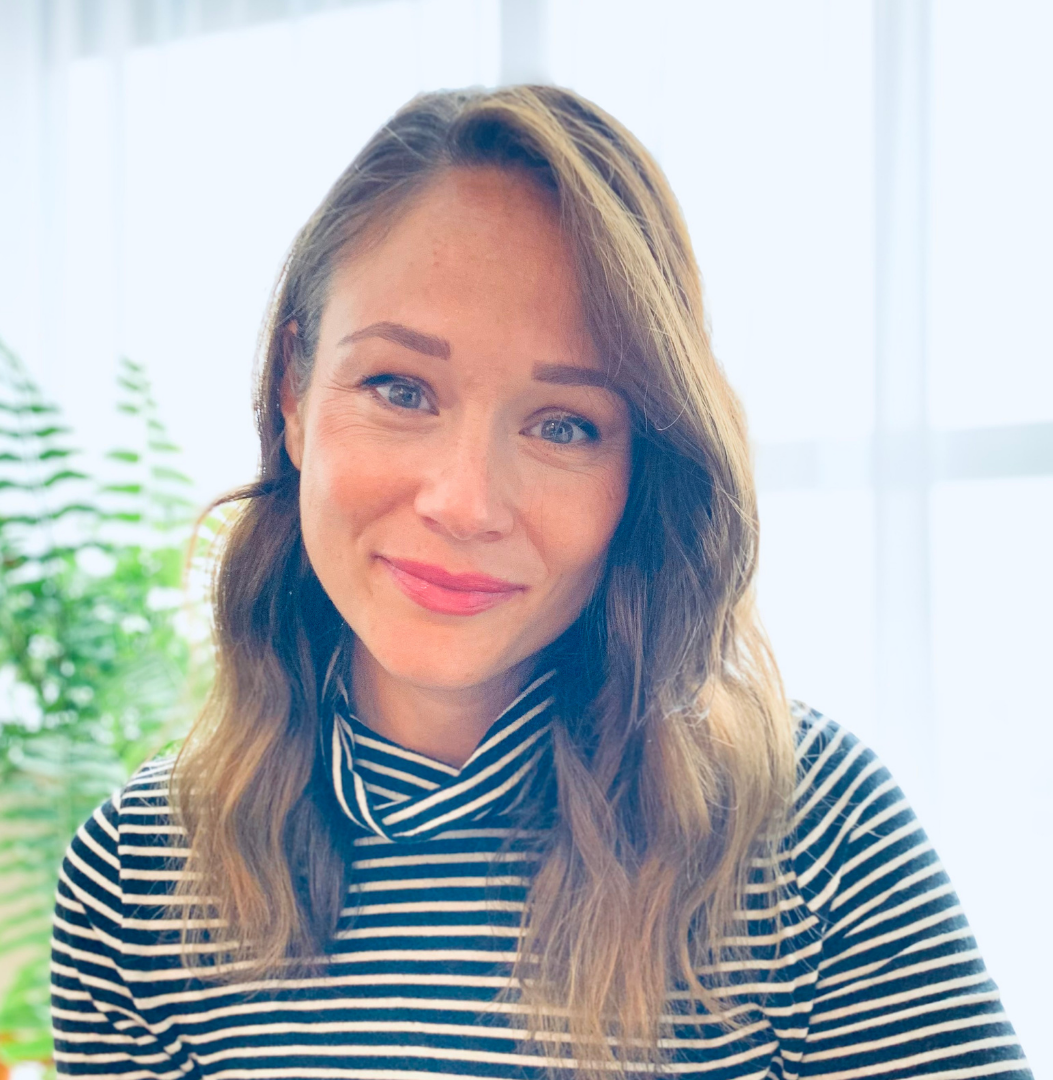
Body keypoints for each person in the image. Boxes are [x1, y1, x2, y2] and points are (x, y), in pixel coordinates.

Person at [50, 86, 1031, 1079]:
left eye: (564, 425)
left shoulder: (808, 833)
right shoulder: (133, 883)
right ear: (293, 393)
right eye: (399, 388)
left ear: (640, 467)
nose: (466, 501)